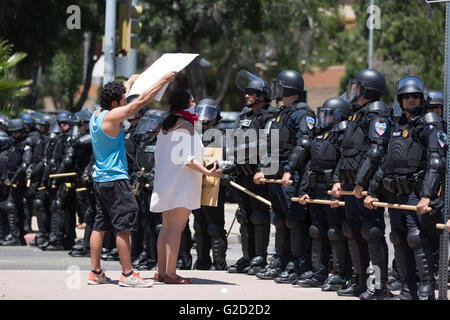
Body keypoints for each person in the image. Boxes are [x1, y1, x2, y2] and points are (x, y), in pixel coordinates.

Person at [87, 71, 177, 287]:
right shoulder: (112, 117)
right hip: (116, 181)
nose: (125, 100)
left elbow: (123, 98)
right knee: (123, 227)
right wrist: (163, 80)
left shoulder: (96, 115)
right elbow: (141, 102)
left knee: (99, 226)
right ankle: (127, 275)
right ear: (115, 102)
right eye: (122, 99)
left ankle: (95, 272)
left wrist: (130, 81)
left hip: (100, 180)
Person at [364, 76, 446, 300]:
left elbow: (436, 161)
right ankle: (408, 290)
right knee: (398, 238)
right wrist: (371, 191)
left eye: (415, 96)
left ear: (422, 98)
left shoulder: (429, 122)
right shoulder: (397, 125)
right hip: (394, 192)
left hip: (416, 192)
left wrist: (427, 196)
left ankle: (427, 290)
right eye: (406, 96)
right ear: (399, 100)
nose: (410, 100)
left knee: (416, 238)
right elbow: (386, 163)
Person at [150, 88, 222, 284]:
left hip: (165, 181)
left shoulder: (166, 125)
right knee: (175, 229)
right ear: (186, 103)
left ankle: (162, 271)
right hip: (179, 184)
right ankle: (171, 274)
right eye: (192, 100)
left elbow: (159, 155)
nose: (194, 104)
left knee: (165, 228)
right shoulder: (185, 125)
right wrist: (208, 172)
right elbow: (187, 159)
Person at [330, 68, 392, 299]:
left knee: (372, 233)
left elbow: (376, 152)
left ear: (369, 89)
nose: (353, 91)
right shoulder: (357, 113)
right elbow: (346, 152)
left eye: (358, 87)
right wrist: (337, 179)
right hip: (350, 186)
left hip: (365, 187)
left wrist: (360, 183)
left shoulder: (377, 114)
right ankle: (359, 280)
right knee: (352, 232)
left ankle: (379, 285)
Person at [254, 70, 315, 283]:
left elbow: (304, 144)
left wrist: (289, 168)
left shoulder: (303, 114)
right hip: (276, 175)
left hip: (292, 176)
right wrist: (263, 168)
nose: (276, 90)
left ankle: (296, 264)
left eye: (280, 86)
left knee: (293, 221)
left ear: (289, 88)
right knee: (279, 221)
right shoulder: (282, 113)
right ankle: (280, 260)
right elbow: (272, 146)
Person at [296, 97, 352, 290]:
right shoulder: (321, 135)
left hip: (333, 189)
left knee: (335, 232)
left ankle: (340, 273)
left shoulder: (344, 135)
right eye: (324, 115)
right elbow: (311, 164)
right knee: (316, 231)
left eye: (330, 115)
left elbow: (345, 163)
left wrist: (340, 191)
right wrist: (304, 190)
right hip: (316, 188)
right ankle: (319, 270)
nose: (325, 119)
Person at [227, 71, 277, 275]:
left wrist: (262, 169)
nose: (246, 96)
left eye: (251, 93)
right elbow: (233, 142)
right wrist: (229, 165)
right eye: (246, 92)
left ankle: (259, 257)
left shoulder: (270, 116)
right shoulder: (244, 115)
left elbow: (272, 146)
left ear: (261, 96)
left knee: (258, 216)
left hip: (258, 176)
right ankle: (247, 256)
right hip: (241, 174)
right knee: (243, 216)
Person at [192, 98, 228, 271]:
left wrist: (223, 167)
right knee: (199, 224)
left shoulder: (222, 133)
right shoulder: (195, 134)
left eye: (209, 113)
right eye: (202, 112)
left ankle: (219, 263)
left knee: (214, 225)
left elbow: (231, 158)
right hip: (197, 182)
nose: (205, 117)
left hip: (214, 185)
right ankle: (202, 260)